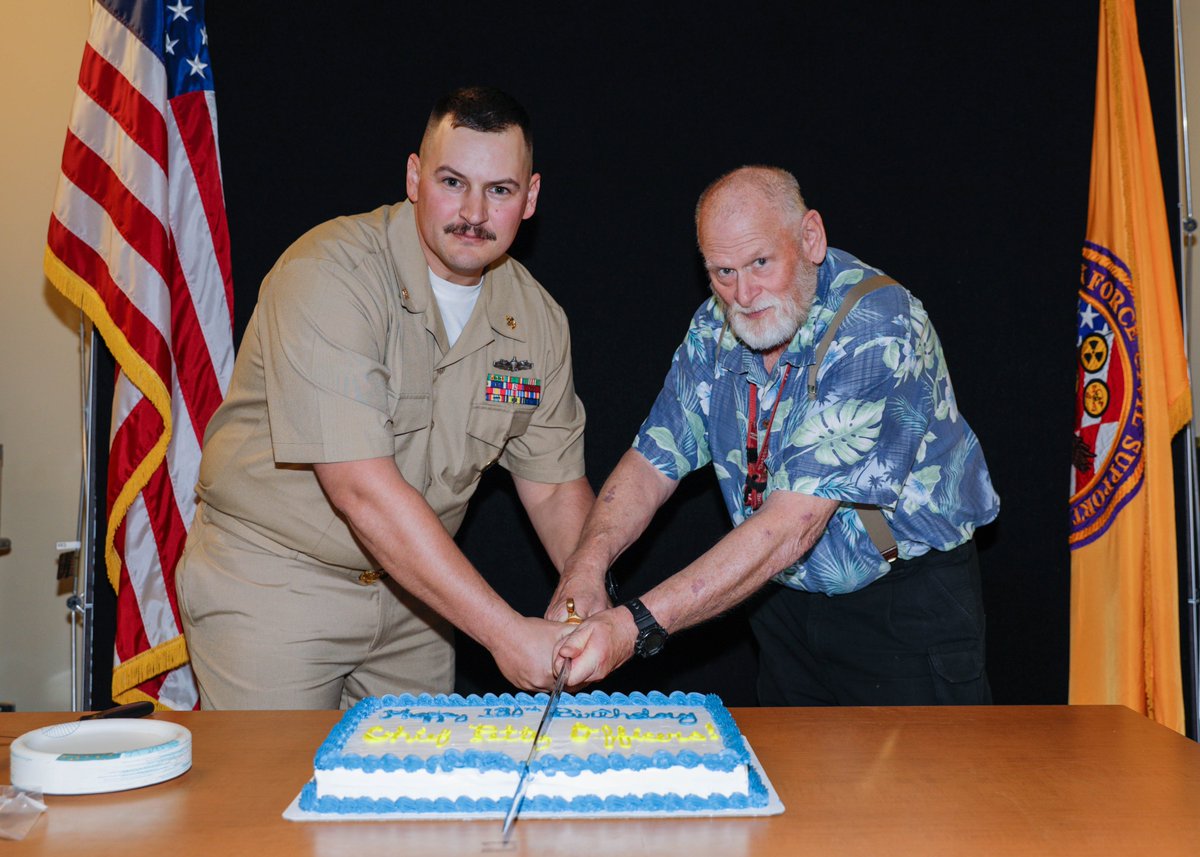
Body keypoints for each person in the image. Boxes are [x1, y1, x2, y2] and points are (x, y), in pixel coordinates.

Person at [176, 86, 594, 709]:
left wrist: (587, 605)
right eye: (453, 181)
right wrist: (506, 634)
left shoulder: (536, 319)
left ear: (529, 197)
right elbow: (361, 488)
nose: (474, 211)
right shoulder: (330, 274)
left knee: (416, 798)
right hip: (275, 585)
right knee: (272, 795)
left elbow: (556, 487)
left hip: (417, 604)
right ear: (415, 177)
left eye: (499, 190)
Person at [550, 165, 1000, 706]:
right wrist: (585, 567)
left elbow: (793, 525)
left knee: (924, 791)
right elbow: (652, 461)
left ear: (810, 238)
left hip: (901, 607)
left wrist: (634, 625)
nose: (743, 295)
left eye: (760, 262)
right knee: (790, 787)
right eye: (722, 272)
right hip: (782, 604)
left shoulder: (876, 324)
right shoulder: (713, 327)